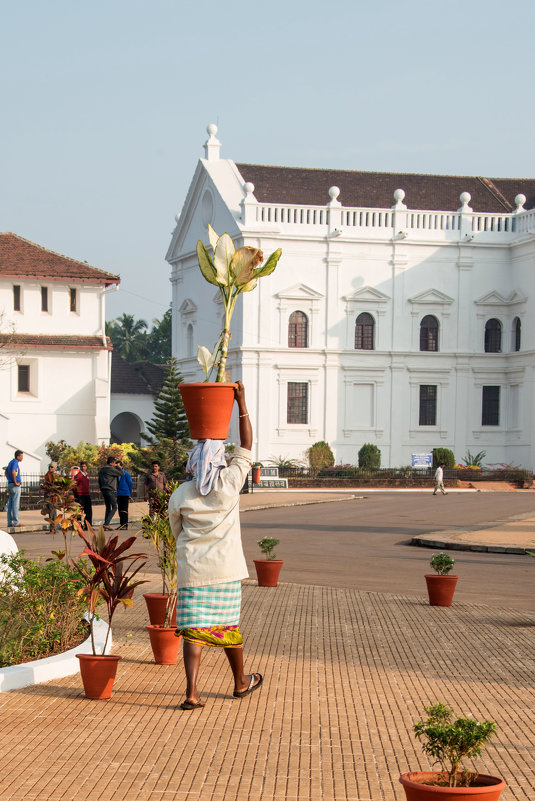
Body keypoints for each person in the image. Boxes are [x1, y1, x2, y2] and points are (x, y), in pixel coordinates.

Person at [168, 381, 262, 710]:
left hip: (193, 570)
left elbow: (176, 531)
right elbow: (247, 444)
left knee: (193, 631)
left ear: (194, 462)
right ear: (219, 459)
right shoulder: (230, 483)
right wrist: (241, 401)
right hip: (224, 571)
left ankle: (192, 693)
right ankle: (239, 681)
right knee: (227, 627)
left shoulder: (181, 493)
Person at [98, 456, 124, 530]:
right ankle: (106, 524)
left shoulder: (101, 470)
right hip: (110, 490)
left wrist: (101, 488)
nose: (115, 464)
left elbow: (99, 480)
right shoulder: (110, 469)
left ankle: (106, 524)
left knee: (108, 507)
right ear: (111, 463)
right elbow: (122, 473)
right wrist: (118, 466)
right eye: (114, 463)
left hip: (104, 489)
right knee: (115, 507)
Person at [6, 449, 23, 529]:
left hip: (10, 484)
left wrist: (9, 479)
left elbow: (6, 472)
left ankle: (9, 522)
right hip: (15, 486)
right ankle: (16, 522)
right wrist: (15, 482)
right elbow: (13, 471)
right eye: (21, 456)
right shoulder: (15, 462)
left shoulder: (11, 462)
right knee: (15, 504)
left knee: (10, 504)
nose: (22, 458)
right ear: (18, 456)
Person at [73, 461, 93, 528]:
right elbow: (74, 486)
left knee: (88, 511)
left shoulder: (87, 475)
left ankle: (88, 525)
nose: (83, 467)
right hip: (80, 495)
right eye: (82, 466)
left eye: (84, 466)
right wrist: (76, 495)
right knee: (80, 511)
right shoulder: (78, 475)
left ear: (86, 467)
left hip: (87, 495)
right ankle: (79, 526)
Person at [41, 462, 58, 533]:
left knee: (52, 512)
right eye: (50, 467)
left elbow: (55, 486)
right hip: (47, 496)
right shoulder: (47, 475)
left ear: (55, 468)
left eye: (52, 467)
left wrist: (45, 486)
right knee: (50, 512)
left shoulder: (56, 476)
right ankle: (52, 528)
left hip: (53, 496)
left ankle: (53, 528)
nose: (50, 468)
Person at [116, 463, 133, 529]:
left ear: (122, 466)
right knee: (120, 509)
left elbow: (130, 483)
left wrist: (129, 493)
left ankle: (125, 524)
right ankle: (121, 524)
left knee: (124, 509)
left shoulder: (126, 474)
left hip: (125, 493)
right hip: (119, 493)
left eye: (118, 466)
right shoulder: (116, 474)